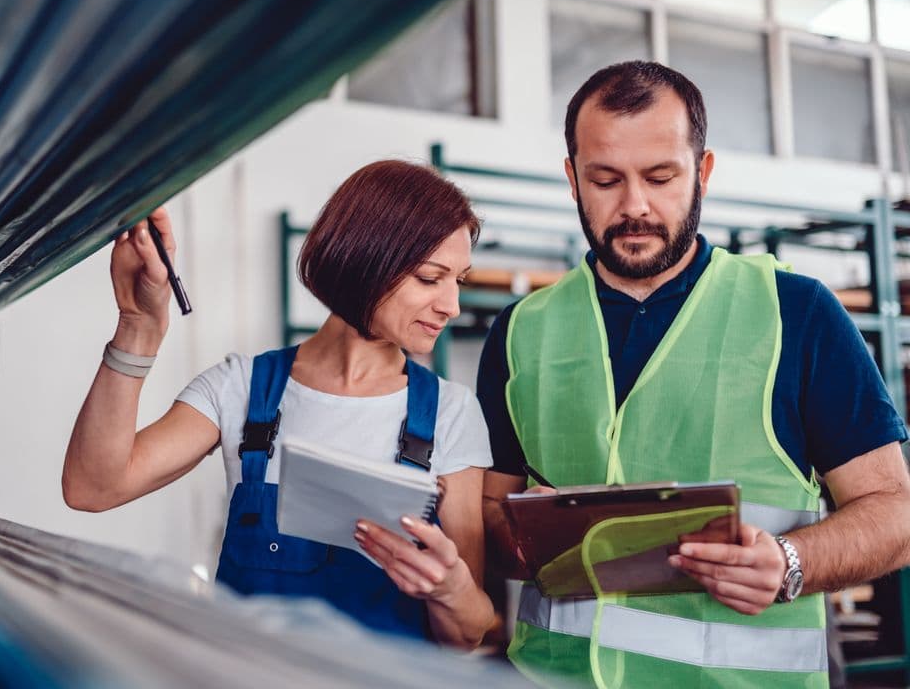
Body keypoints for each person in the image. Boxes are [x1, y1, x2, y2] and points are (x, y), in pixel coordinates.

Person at [478, 61, 910, 687]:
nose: (635, 206)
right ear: (573, 179)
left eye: (661, 177)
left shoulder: (799, 314)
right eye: (605, 180)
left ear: (703, 171)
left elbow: (894, 513)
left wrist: (791, 561)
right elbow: (487, 520)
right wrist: (523, 538)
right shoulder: (520, 332)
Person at [63, 160, 495, 648]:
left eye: (458, 279)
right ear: (364, 260)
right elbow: (92, 487)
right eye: (429, 277)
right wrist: (138, 325)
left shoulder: (452, 413)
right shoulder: (242, 388)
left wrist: (452, 591)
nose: (452, 305)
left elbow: (466, 635)